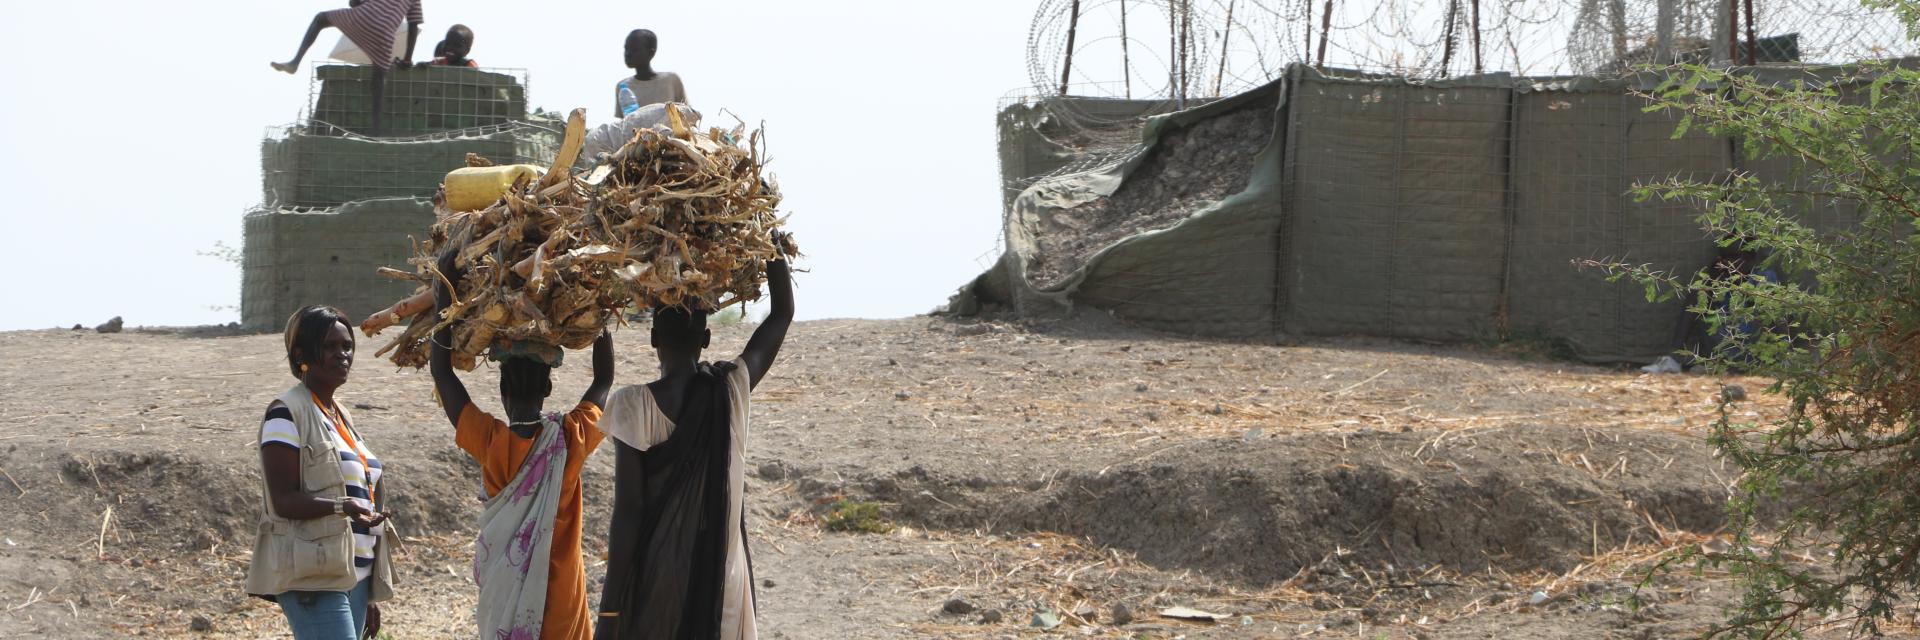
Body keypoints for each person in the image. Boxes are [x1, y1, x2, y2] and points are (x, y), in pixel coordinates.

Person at [594, 257, 794, 639]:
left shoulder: (632, 404)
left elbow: (629, 511)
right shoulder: (730, 389)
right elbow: (782, 314)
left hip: (658, 579)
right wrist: (773, 245)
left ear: (653, 338)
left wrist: (610, 610)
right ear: (706, 339)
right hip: (722, 578)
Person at [429, 256, 614, 640]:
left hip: (505, 605)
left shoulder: (489, 440)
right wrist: (601, 308)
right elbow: (604, 380)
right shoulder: (569, 438)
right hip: (563, 606)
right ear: (549, 388)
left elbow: (442, 373)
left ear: (501, 390)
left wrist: (441, 299)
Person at [245, 305, 398, 640]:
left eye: (347, 347)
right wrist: (340, 507)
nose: (342, 355)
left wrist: (369, 593)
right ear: (301, 353)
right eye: (330, 346)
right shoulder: (286, 413)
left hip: (352, 575)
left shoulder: (340, 414)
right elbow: (283, 500)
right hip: (313, 575)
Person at [271, 0, 425, 134]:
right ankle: (376, 131)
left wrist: (355, 3)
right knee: (378, 80)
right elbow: (413, 25)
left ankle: (295, 62)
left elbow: (354, 3)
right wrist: (407, 60)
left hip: (364, 17)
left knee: (320, 19)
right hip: (385, 34)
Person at [615, 29, 689, 118]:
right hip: (637, 132)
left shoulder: (671, 80)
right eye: (626, 48)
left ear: (651, 52)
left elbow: (687, 115)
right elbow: (622, 125)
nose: (628, 53)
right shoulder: (624, 87)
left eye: (634, 49)